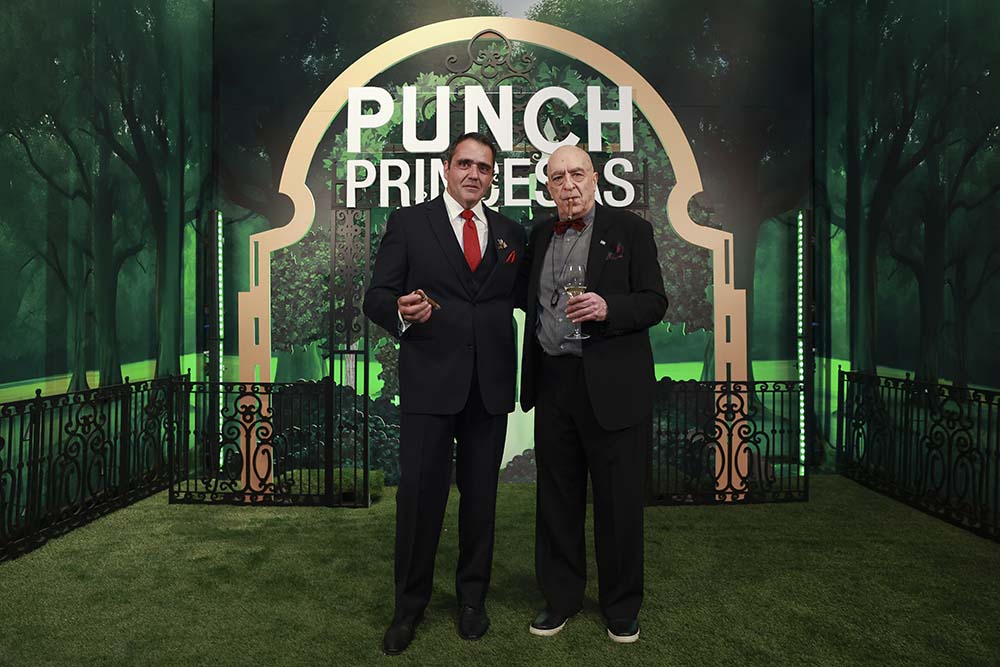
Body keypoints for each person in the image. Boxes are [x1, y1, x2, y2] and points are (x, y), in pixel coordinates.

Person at [363, 132, 525, 656]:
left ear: (493, 176)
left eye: (484, 167)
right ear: (446, 168)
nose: (474, 173)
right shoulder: (410, 224)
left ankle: (472, 601)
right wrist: (399, 311)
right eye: (465, 164)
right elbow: (376, 296)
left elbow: (529, 296)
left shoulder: (511, 233)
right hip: (429, 385)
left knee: (481, 500)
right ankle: (408, 608)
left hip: (489, 389)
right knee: (419, 501)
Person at [519, 144, 667, 644]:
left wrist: (609, 309)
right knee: (557, 499)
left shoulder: (631, 231)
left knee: (618, 502)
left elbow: (655, 302)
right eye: (558, 177)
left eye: (577, 174)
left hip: (612, 385)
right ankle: (560, 599)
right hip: (553, 382)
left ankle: (621, 606)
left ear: (595, 177)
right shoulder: (540, 234)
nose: (569, 185)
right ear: (548, 186)